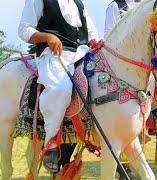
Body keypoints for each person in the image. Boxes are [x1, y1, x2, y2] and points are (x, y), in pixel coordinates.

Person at [18, 0, 99, 173]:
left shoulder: (79, 3)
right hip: (53, 55)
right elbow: (24, 29)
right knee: (60, 89)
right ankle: (50, 143)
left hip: (81, 53)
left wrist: (96, 42)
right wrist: (47, 37)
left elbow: (91, 32)